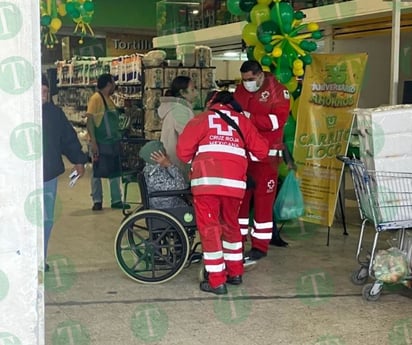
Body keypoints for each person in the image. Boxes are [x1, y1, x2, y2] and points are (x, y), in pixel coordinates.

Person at [176, 91, 269, 295]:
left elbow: (182, 152)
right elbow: (262, 151)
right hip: (234, 186)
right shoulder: (242, 121)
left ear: (211, 102)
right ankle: (235, 272)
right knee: (231, 226)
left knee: (209, 229)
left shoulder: (202, 119)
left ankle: (216, 280)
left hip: (207, 184)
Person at [234, 60, 290, 260]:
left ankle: (260, 246)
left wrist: (249, 117)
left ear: (259, 75)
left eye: (250, 79)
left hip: (266, 158)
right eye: (243, 80)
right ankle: (236, 242)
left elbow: (277, 121)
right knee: (240, 201)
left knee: (263, 203)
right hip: (243, 157)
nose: (246, 83)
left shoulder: (278, 92)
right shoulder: (240, 90)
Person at [42, 74, 88, 269]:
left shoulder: (55, 113)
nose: (42, 95)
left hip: (48, 174)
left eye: (45, 91)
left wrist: (79, 160)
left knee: (46, 219)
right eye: (39, 92)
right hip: (21, 178)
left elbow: (67, 138)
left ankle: (39, 259)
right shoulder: (16, 112)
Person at [85, 73, 129, 211]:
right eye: (113, 83)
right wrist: (93, 142)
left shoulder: (108, 99)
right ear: (109, 84)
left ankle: (116, 200)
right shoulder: (96, 99)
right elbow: (90, 121)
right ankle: (97, 201)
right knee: (97, 171)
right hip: (99, 141)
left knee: (114, 170)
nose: (115, 86)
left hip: (111, 141)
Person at [158, 76, 197, 172]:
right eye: (192, 89)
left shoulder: (175, 107)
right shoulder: (180, 110)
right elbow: (188, 135)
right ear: (182, 92)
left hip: (171, 158)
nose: (196, 93)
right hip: (177, 161)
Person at [139, 140, 189, 209]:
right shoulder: (156, 174)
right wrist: (169, 165)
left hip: (167, 204)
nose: (168, 155)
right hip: (171, 208)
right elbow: (181, 186)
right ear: (159, 156)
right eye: (165, 154)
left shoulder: (149, 169)